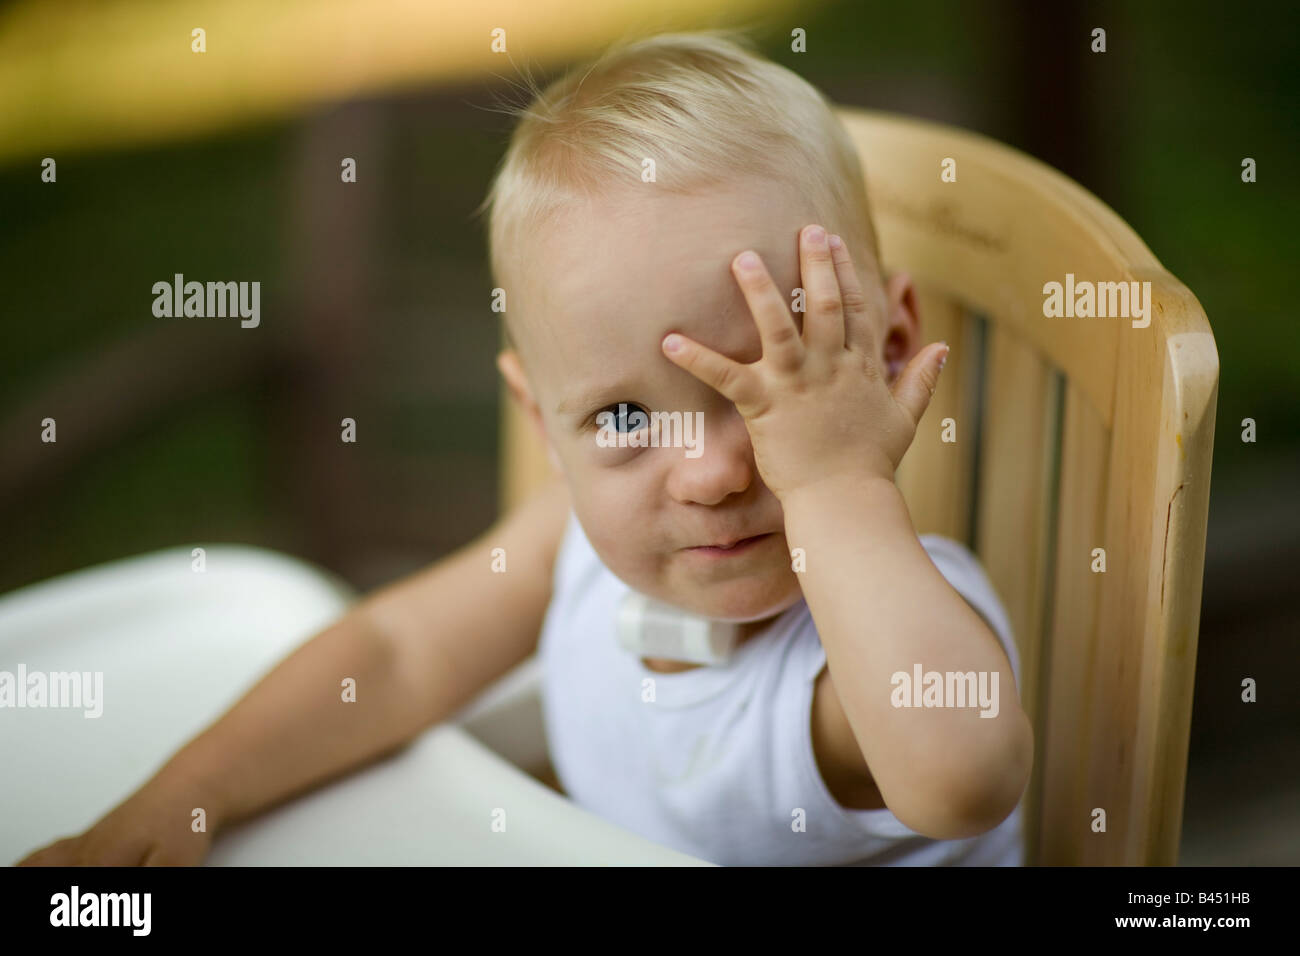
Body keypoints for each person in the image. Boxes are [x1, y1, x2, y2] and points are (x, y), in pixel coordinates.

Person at [18, 29, 1030, 867]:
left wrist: (838, 480)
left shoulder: (878, 645)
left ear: (888, 349)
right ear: (543, 423)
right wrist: (188, 797)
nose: (711, 473)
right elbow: (395, 652)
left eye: (769, 394)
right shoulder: (575, 545)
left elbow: (959, 778)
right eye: (626, 420)